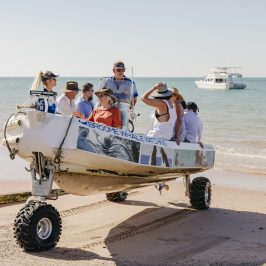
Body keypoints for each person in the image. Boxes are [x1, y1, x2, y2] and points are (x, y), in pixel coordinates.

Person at [101, 61, 138, 130]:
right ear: (113, 70)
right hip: (110, 105)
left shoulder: (130, 82)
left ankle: (125, 133)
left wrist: (131, 108)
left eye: (123, 70)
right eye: (118, 70)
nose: (120, 72)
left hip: (124, 105)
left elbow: (134, 97)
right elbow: (102, 94)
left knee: (124, 120)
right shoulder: (107, 81)